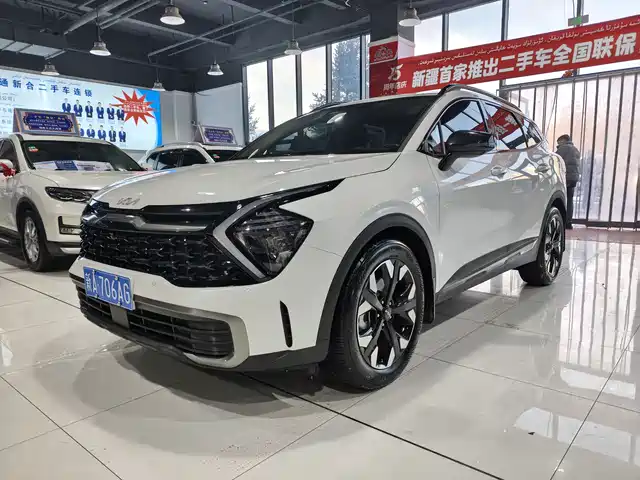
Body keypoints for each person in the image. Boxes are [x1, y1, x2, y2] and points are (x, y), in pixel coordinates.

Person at [556, 134, 580, 229]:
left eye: (559, 142)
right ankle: (569, 222)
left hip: (565, 177)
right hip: (573, 178)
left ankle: (562, 221)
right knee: (570, 200)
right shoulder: (575, 149)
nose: (558, 144)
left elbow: (555, 159)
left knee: (562, 199)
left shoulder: (564, 148)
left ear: (564, 140)